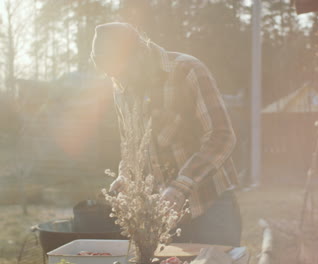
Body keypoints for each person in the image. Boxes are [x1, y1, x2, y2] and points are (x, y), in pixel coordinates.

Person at [90, 22, 241, 247]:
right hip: (165, 217)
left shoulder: (186, 70)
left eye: (122, 71)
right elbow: (131, 147)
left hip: (211, 207)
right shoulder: (121, 87)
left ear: (139, 53)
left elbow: (221, 136)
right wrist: (125, 177)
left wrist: (180, 187)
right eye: (112, 75)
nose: (120, 81)